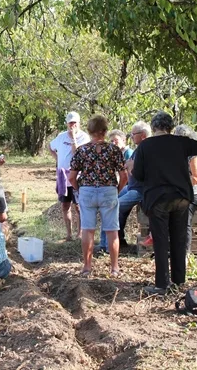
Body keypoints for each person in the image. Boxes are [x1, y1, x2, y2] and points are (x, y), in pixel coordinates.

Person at [132, 107, 197, 296]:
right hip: (182, 197)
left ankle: (162, 284)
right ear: (171, 127)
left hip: (157, 198)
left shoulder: (145, 146)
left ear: (153, 127)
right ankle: (178, 281)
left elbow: (138, 174)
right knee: (179, 238)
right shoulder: (182, 142)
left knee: (161, 241)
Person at [69, 115, 127, 277]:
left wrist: (79, 189)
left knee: (87, 229)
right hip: (108, 190)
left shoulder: (82, 150)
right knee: (112, 230)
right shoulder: (114, 150)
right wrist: (117, 190)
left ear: (89, 131)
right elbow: (124, 177)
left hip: (87, 190)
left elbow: (72, 177)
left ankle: (87, 267)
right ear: (105, 131)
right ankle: (114, 268)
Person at [49, 111, 90, 241]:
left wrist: (73, 137)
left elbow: (77, 153)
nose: (72, 125)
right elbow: (50, 146)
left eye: (74, 123)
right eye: (70, 123)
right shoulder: (61, 137)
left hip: (77, 175)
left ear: (79, 123)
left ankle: (80, 233)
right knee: (65, 205)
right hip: (63, 175)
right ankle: (69, 234)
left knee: (78, 206)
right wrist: (57, 158)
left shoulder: (84, 137)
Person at [173, 124, 197, 254]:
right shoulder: (176, 153)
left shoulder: (194, 155)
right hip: (177, 193)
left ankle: (185, 254)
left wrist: (178, 184)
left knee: (185, 219)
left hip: (192, 193)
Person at [99, 128, 135, 252]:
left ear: (124, 140)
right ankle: (113, 241)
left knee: (110, 208)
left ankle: (107, 246)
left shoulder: (128, 153)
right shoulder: (114, 154)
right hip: (124, 186)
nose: (113, 143)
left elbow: (127, 176)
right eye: (111, 141)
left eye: (116, 141)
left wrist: (118, 190)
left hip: (130, 186)